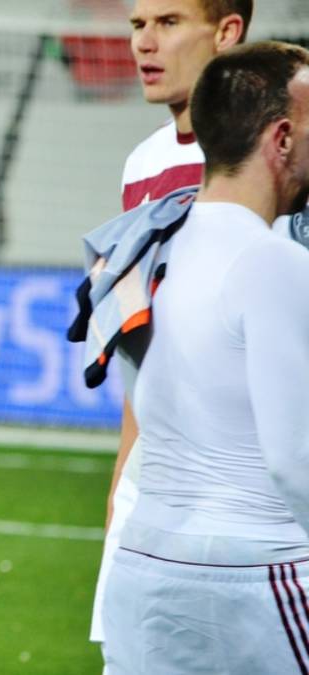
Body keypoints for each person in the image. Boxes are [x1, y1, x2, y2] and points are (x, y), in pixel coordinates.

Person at [98, 41, 309, 673]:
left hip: (141, 566)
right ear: (280, 139)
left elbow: (144, 404)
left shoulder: (140, 246)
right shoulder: (272, 260)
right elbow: (293, 459)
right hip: (254, 575)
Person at [89, 0, 250, 652]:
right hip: (154, 477)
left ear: (227, 31)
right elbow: (142, 343)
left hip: (248, 484)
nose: (144, 43)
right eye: (137, 25)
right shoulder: (142, 163)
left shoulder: (278, 152)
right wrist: (123, 481)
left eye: (169, 22)